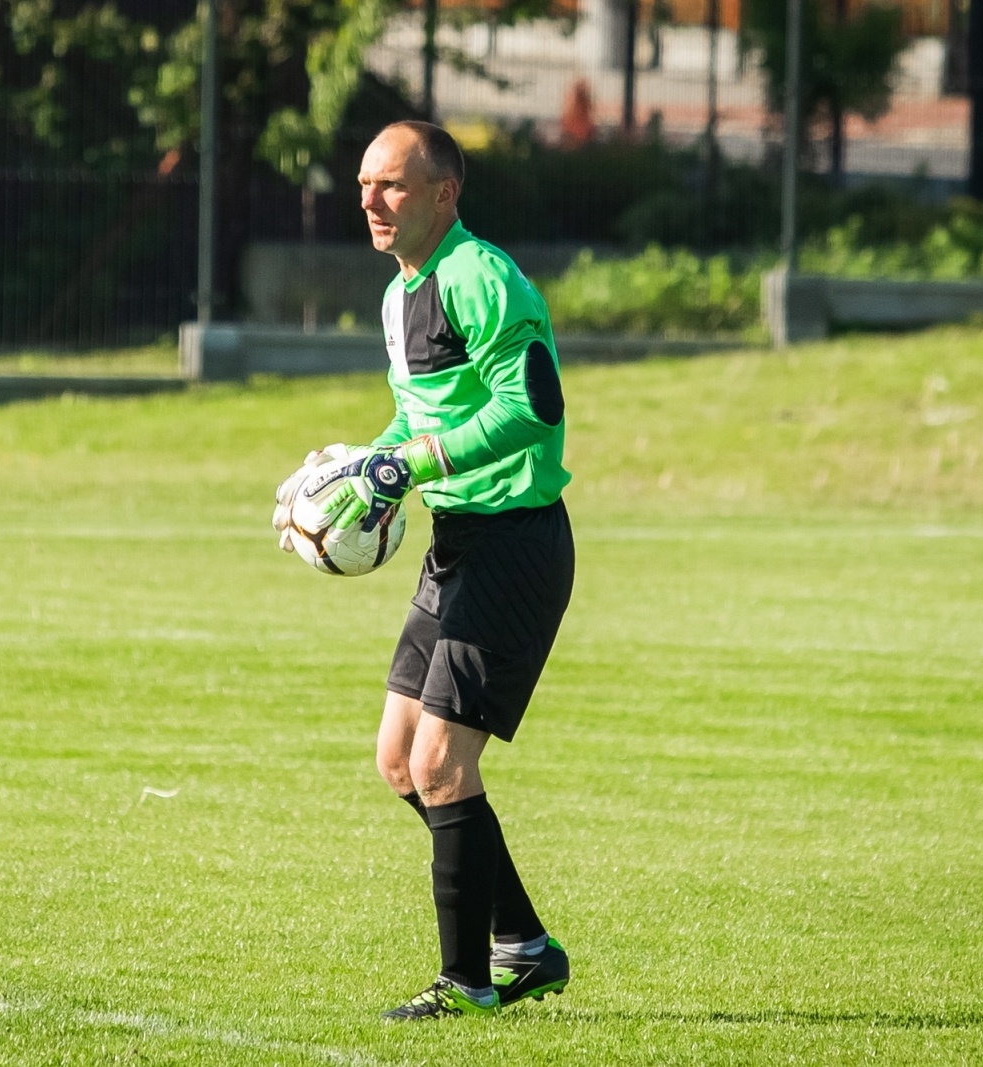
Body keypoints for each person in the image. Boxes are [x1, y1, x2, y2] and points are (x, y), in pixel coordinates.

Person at [318, 120, 576, 1021]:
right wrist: (359, 476)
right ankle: (527, 947)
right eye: (362, 185)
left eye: (390, 185)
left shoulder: (483, 278)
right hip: (456, 543)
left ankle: (469, 983)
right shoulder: (399, 295)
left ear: (443, 194)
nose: (370, 202)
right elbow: (414, 418)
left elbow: (532, 411)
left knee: (440, 763)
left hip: (516, 544)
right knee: (399, 760)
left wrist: (415, 464)